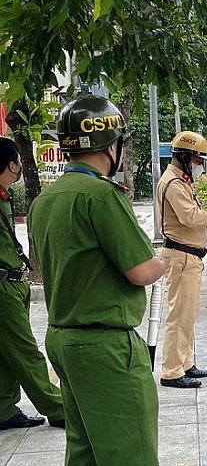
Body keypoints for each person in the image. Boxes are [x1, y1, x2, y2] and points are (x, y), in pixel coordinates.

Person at [28, 96, 164, 466]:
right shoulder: (101, 195)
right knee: (129, 454)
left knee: (85, 451)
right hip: (105, 345)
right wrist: (163, 262)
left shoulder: (45, 199)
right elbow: (140, 270)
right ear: (111, 145)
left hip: (64, 340)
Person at [157, 131, 207, 389]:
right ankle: (171, 371)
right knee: (179, 316)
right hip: (181, 256)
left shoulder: (182, 181)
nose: (201, 165)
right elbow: (191, 217)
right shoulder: (174, 184)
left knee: (188, 314)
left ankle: (184, 363)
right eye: (198, 160)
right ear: (186, 156)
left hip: (189, 256)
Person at [0, 138, 65, 431]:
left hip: (12, 282)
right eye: (18, 164)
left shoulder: (3, 196)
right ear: (13, 164)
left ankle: (3, 408)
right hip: (3, 288)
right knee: (25, 350)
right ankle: (59, 408)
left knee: (5, 352)